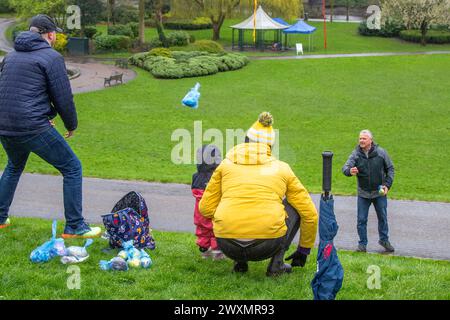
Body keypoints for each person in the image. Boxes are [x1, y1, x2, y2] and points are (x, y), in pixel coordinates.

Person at [0, 14, 101, 238]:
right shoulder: (51, 57)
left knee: (14, 166)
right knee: (72, 167)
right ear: (50, 34)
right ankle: (75, 226)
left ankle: (0, 218)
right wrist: (71, 124)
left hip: (5, 126)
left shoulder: (11, 56)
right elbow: (63, 97)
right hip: (31, 125)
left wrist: (44, 112)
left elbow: (16, 92)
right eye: (54, 34)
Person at [199, 112, 318, 276]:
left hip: (227, 244)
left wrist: (226, 218)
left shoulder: (224, 166)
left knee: (227, 201)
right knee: (297, 206)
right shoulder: (282, 168)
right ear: (269, 147)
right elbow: (310, 214)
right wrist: (303, 249)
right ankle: (277, 264)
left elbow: (205, 208)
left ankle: (240, 264)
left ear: (246, 141)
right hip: (267, 245)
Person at [342, 130, 395, 253]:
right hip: (363, 193)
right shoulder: (356, 154)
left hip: (379, 192)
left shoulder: (381, 153)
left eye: (364, 139)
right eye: (360, 138)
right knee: (361, 220)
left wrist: (387, 185)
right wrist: (350, 171)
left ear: (370, 140)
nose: (361, 141)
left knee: (382, 217)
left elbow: (390, 169)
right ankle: (362, 244)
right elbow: (345, 168)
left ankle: (384, 240)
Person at [191, 144, 225, 260]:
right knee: (215, 228)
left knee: (203, 229)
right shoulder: (217, 177)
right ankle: (217, 251)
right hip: (213, 209)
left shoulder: (196, 176)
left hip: (199, 211)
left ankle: (204, 248)